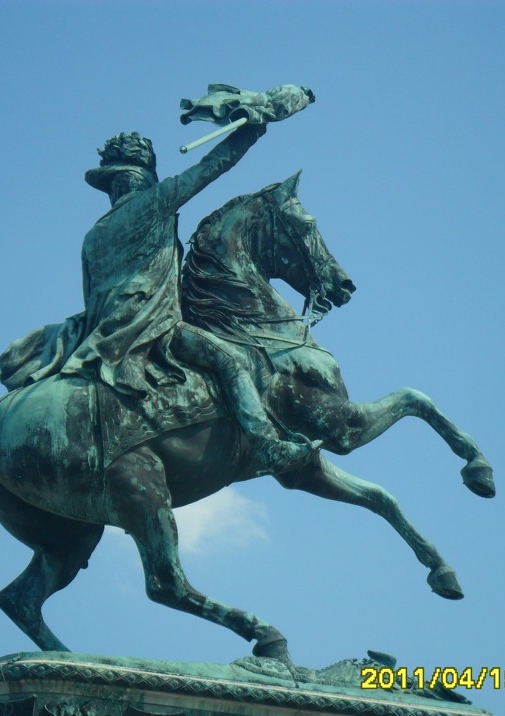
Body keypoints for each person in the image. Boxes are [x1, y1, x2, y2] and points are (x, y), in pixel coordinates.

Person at [60, 126, 316, 472]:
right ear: (141, 179)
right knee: (231, 362)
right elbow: (214, 164)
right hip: (155, 325)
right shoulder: (154, 202)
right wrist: (254, 128)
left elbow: (90, 296)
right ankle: (268, 445)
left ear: (114, 184)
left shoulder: (94, 236)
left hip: (104, 335)